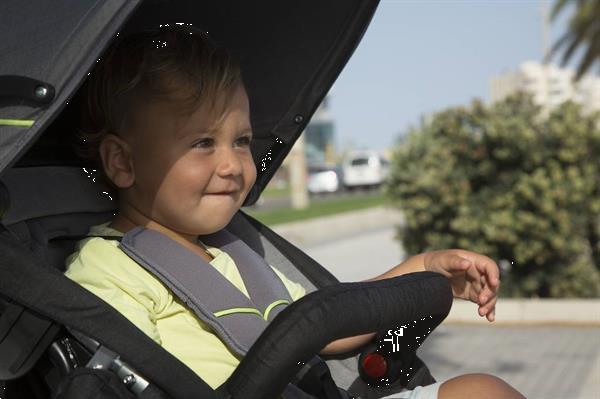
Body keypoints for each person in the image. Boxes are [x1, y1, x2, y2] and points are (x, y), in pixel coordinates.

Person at [65, 26, 525, 399]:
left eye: (241, 142)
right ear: (123, 162)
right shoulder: (108, 269)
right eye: (203, 143)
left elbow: (327, 330)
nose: (231, 165)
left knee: (482, 390)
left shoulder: (234, 252)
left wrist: (424, 269)